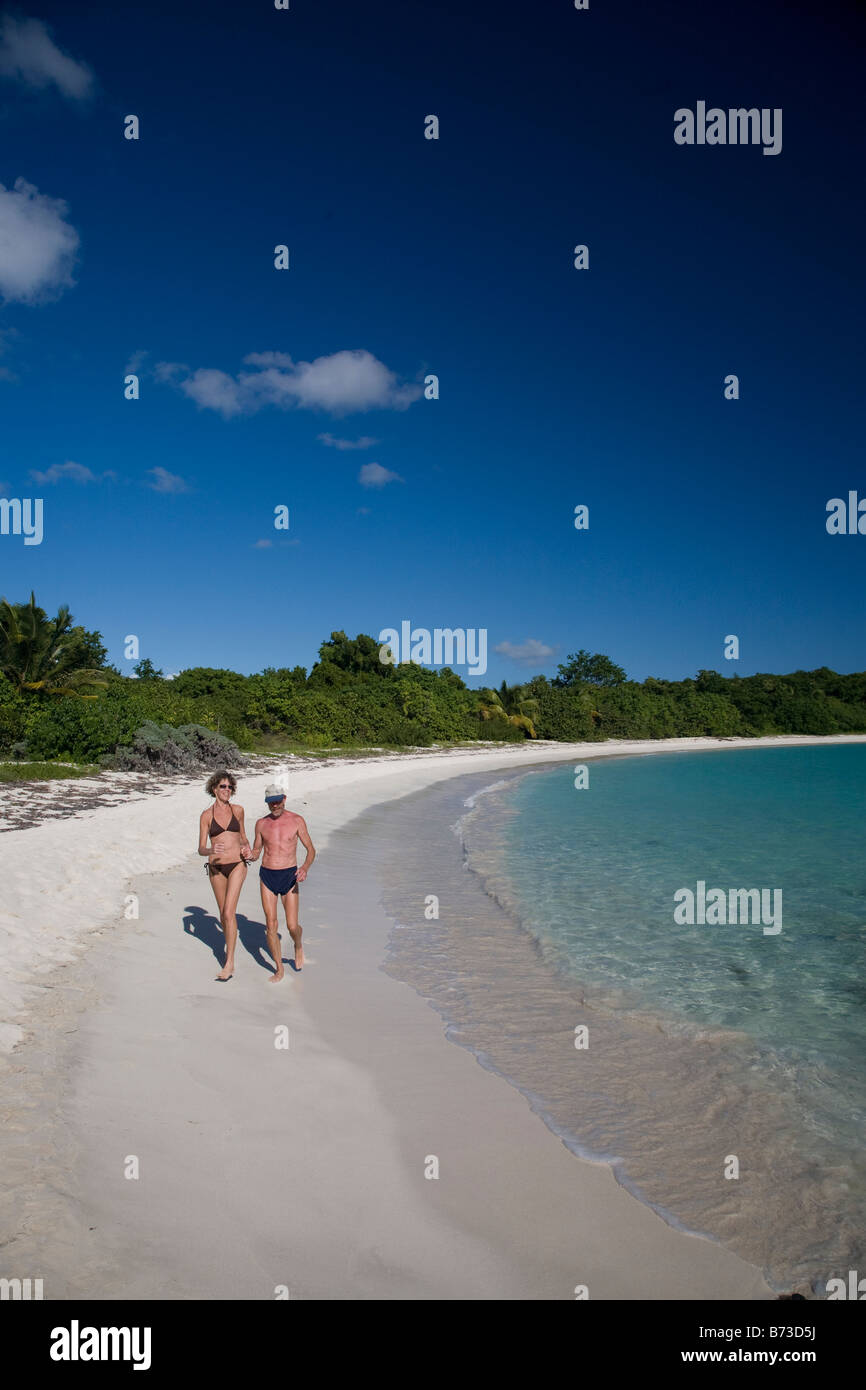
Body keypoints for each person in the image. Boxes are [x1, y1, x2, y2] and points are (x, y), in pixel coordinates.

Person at [247, 785, 315, 981]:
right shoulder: (261, 824)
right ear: (267, 803)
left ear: (284, 799)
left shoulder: (296, 821)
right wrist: (250, 855)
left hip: (289, 876)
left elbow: (311, 849)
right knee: (271, 925)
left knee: (292, 925)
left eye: (278, 800)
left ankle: (298, 945)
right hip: (267, 875)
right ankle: (279, 968)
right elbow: (257, 851)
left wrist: (305, 868)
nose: (275, 805)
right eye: (271, 802)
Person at [198, 771, 252, 981]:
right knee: (223, 914)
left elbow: (244, 838)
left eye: (230, 787)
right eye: (222, 786)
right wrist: (210, 850)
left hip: (237, 864)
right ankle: (230, 943)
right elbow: (201, 848)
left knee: (229, 912)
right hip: (216, 868)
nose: (227, 790)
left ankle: (229, 963)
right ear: (214, 789)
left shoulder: (238, 811)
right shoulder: (206, 815)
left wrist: (248, 850)